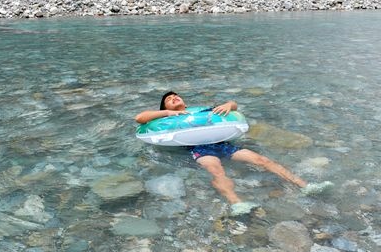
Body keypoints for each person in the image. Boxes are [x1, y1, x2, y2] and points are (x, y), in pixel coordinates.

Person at [135, 91, 332, 215]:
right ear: (166, 107)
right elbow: (140, 118)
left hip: (222, 143)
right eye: (169, 100)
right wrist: (167, 113)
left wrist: (230, 105)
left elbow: (233, 105)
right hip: (198, 148)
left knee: (261, 160)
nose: (174, 98)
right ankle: (236, 203)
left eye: (176, 96)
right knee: (216, 169)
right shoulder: (166, 117)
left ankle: (305, 186)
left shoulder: (201, 110)